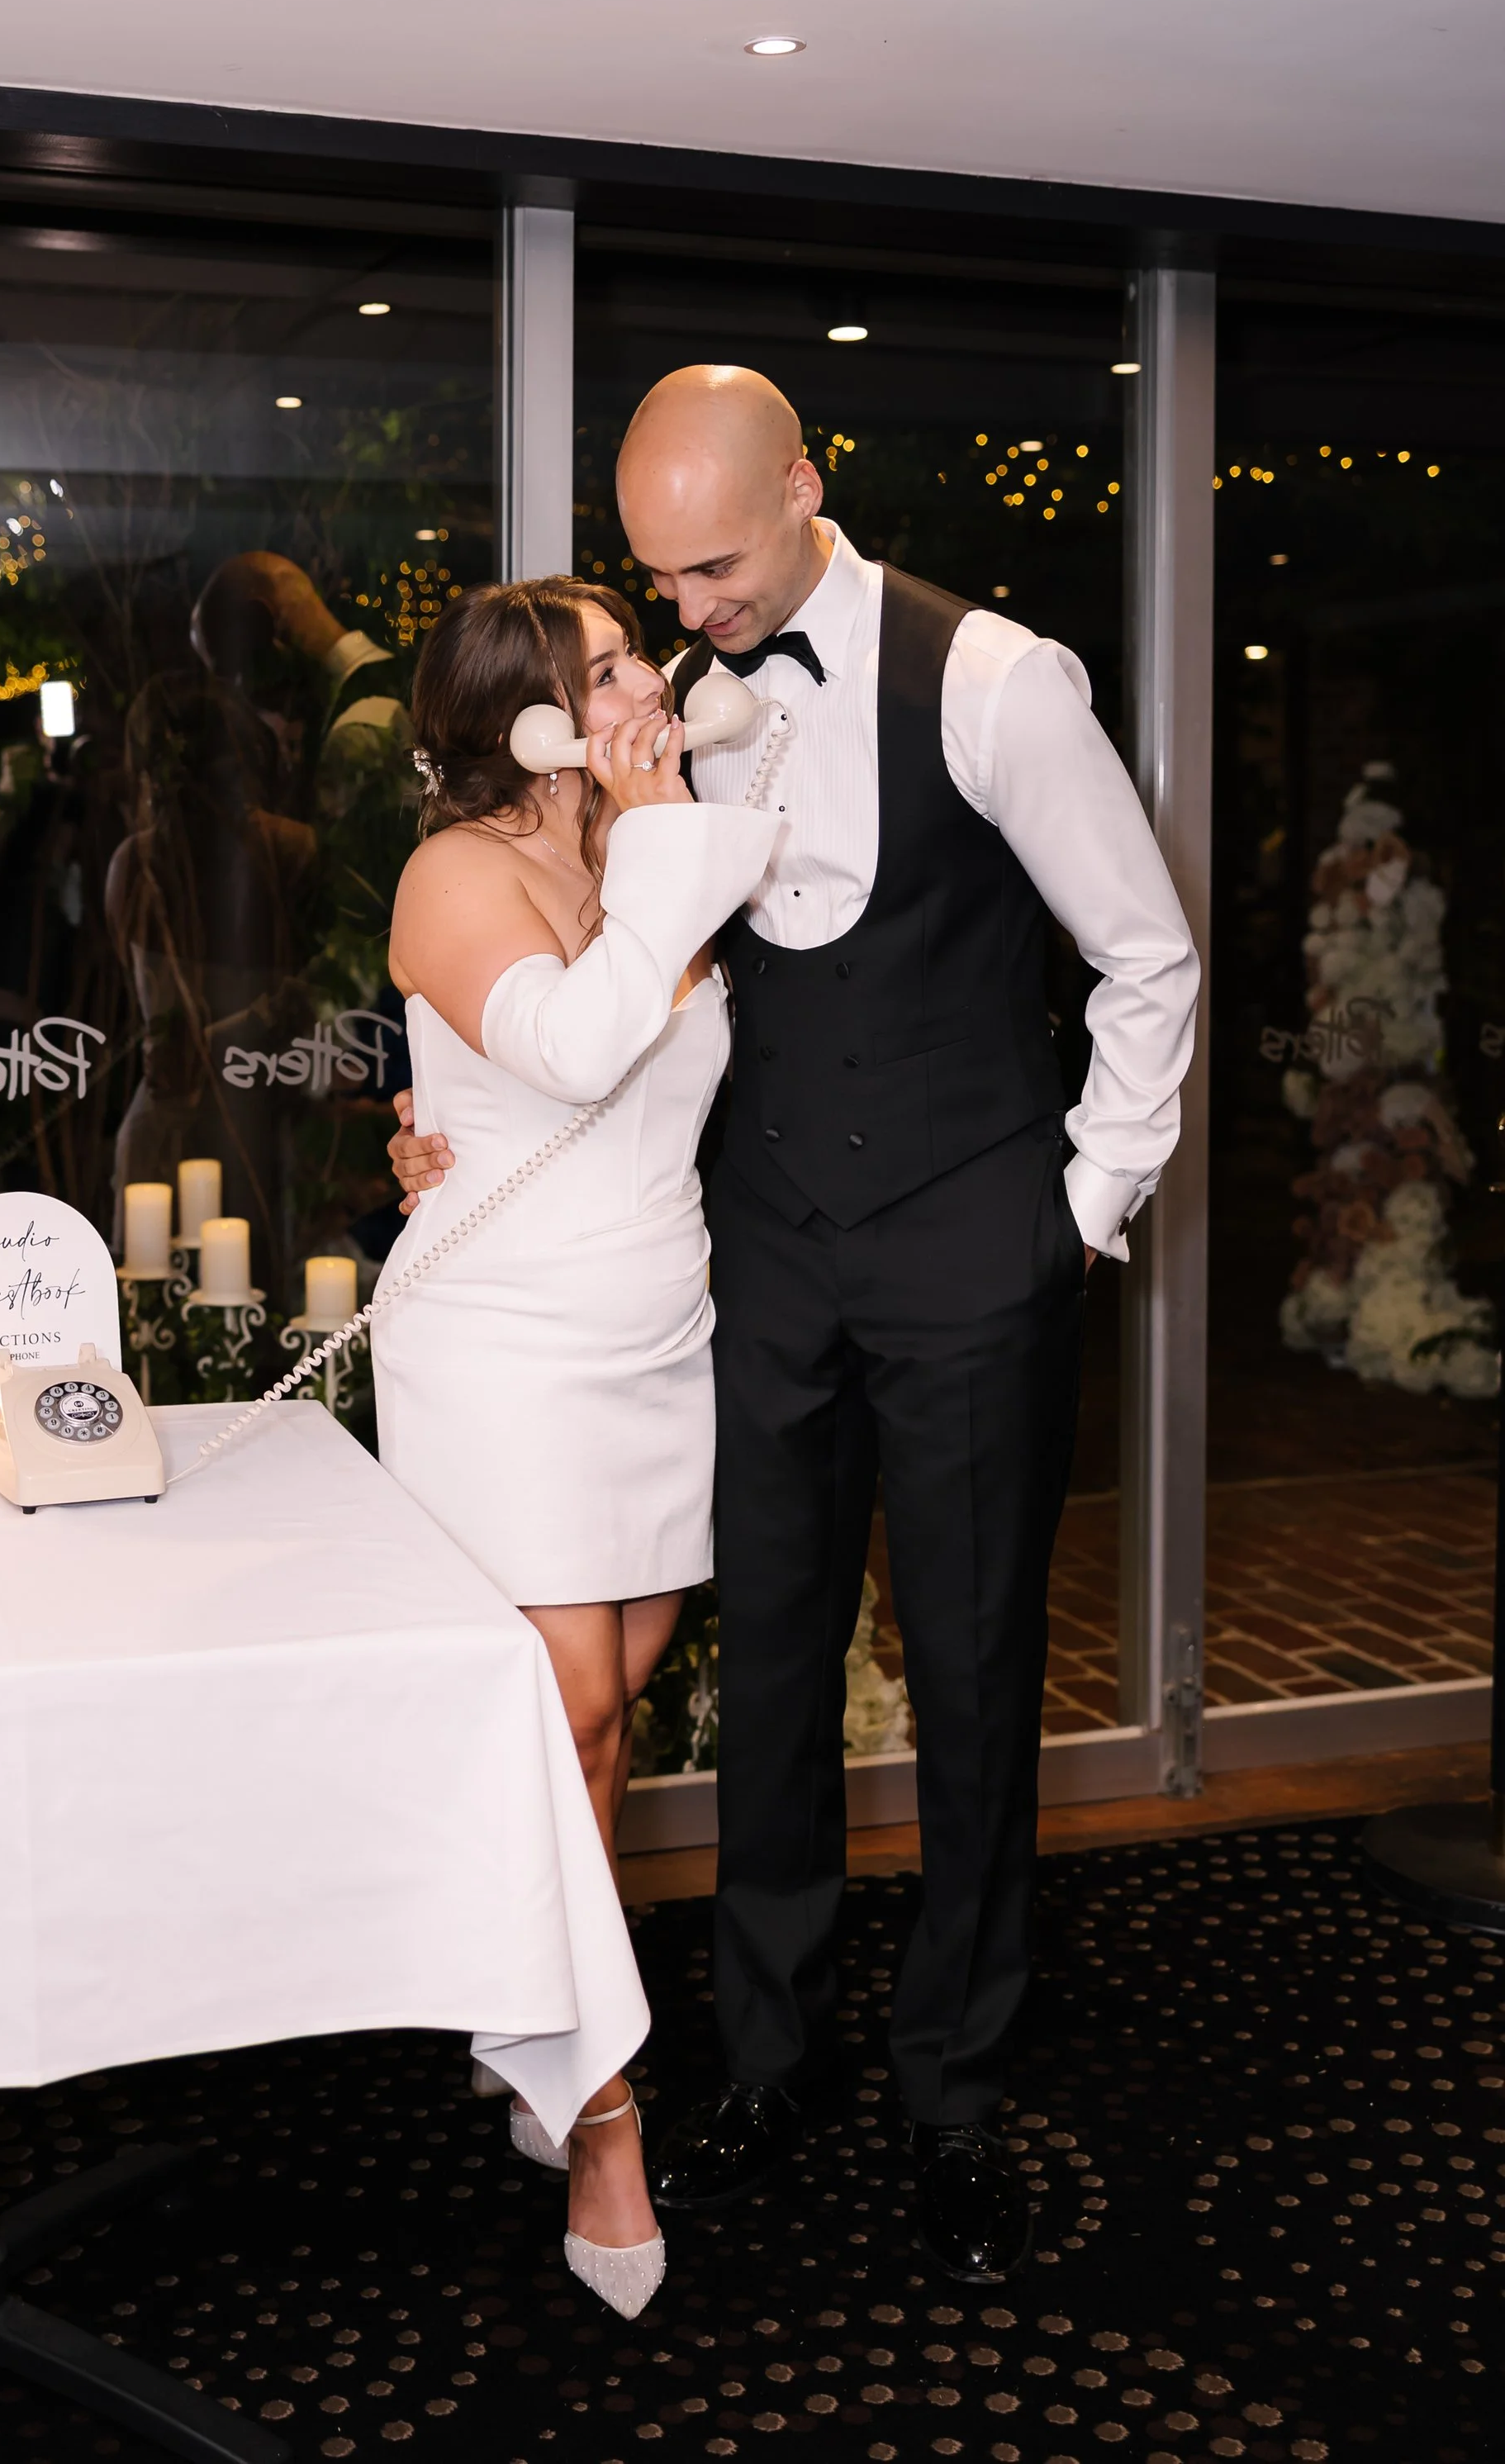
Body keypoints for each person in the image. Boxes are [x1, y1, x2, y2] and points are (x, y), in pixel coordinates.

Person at [393, 368, 1199, 2286]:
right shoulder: (650, 741)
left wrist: (1070, 1219)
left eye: (716, 566)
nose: (686, 616)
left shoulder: (995, 680)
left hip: (967, 1250)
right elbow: (538, 983)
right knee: (764, 1682)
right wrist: (433, 1122)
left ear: (806, 490)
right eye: (655, 583)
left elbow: (1142, 956)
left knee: (973, 1668)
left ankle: (952, 2089)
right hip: (749, 1265)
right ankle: (759, 2055)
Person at [377, 575, 775, 2319]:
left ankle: (526, 2016)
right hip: (502, 1341)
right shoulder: (458, 872)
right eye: (604, 668)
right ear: (520, 718)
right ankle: (600, 2110)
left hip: (651, 1332)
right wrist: (669, 822)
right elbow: (575, 1040)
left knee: (614, 1711)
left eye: (637, 657)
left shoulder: (636, 856)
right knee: (572, 1713)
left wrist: (656, 830)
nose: (645, 682)